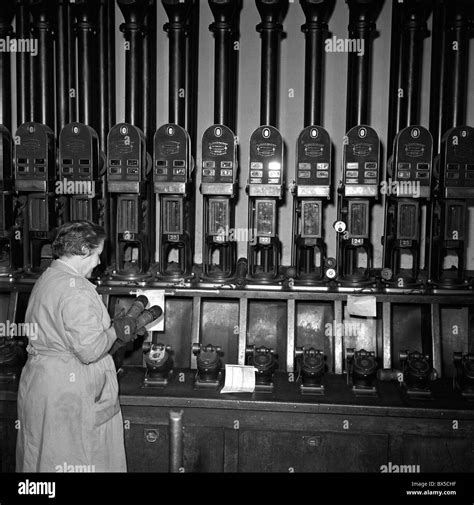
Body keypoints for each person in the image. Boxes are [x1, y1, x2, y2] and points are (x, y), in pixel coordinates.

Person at [16, 220, 138, 472]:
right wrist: (115, 330)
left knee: (43, 457)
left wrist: (108, 332)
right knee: (76, 456)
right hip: (68, 392)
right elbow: (89, 350)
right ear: (83, 250)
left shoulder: (49, 277)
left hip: (42, 382)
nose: (98, 262)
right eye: (96, 254)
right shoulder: (77, 289)